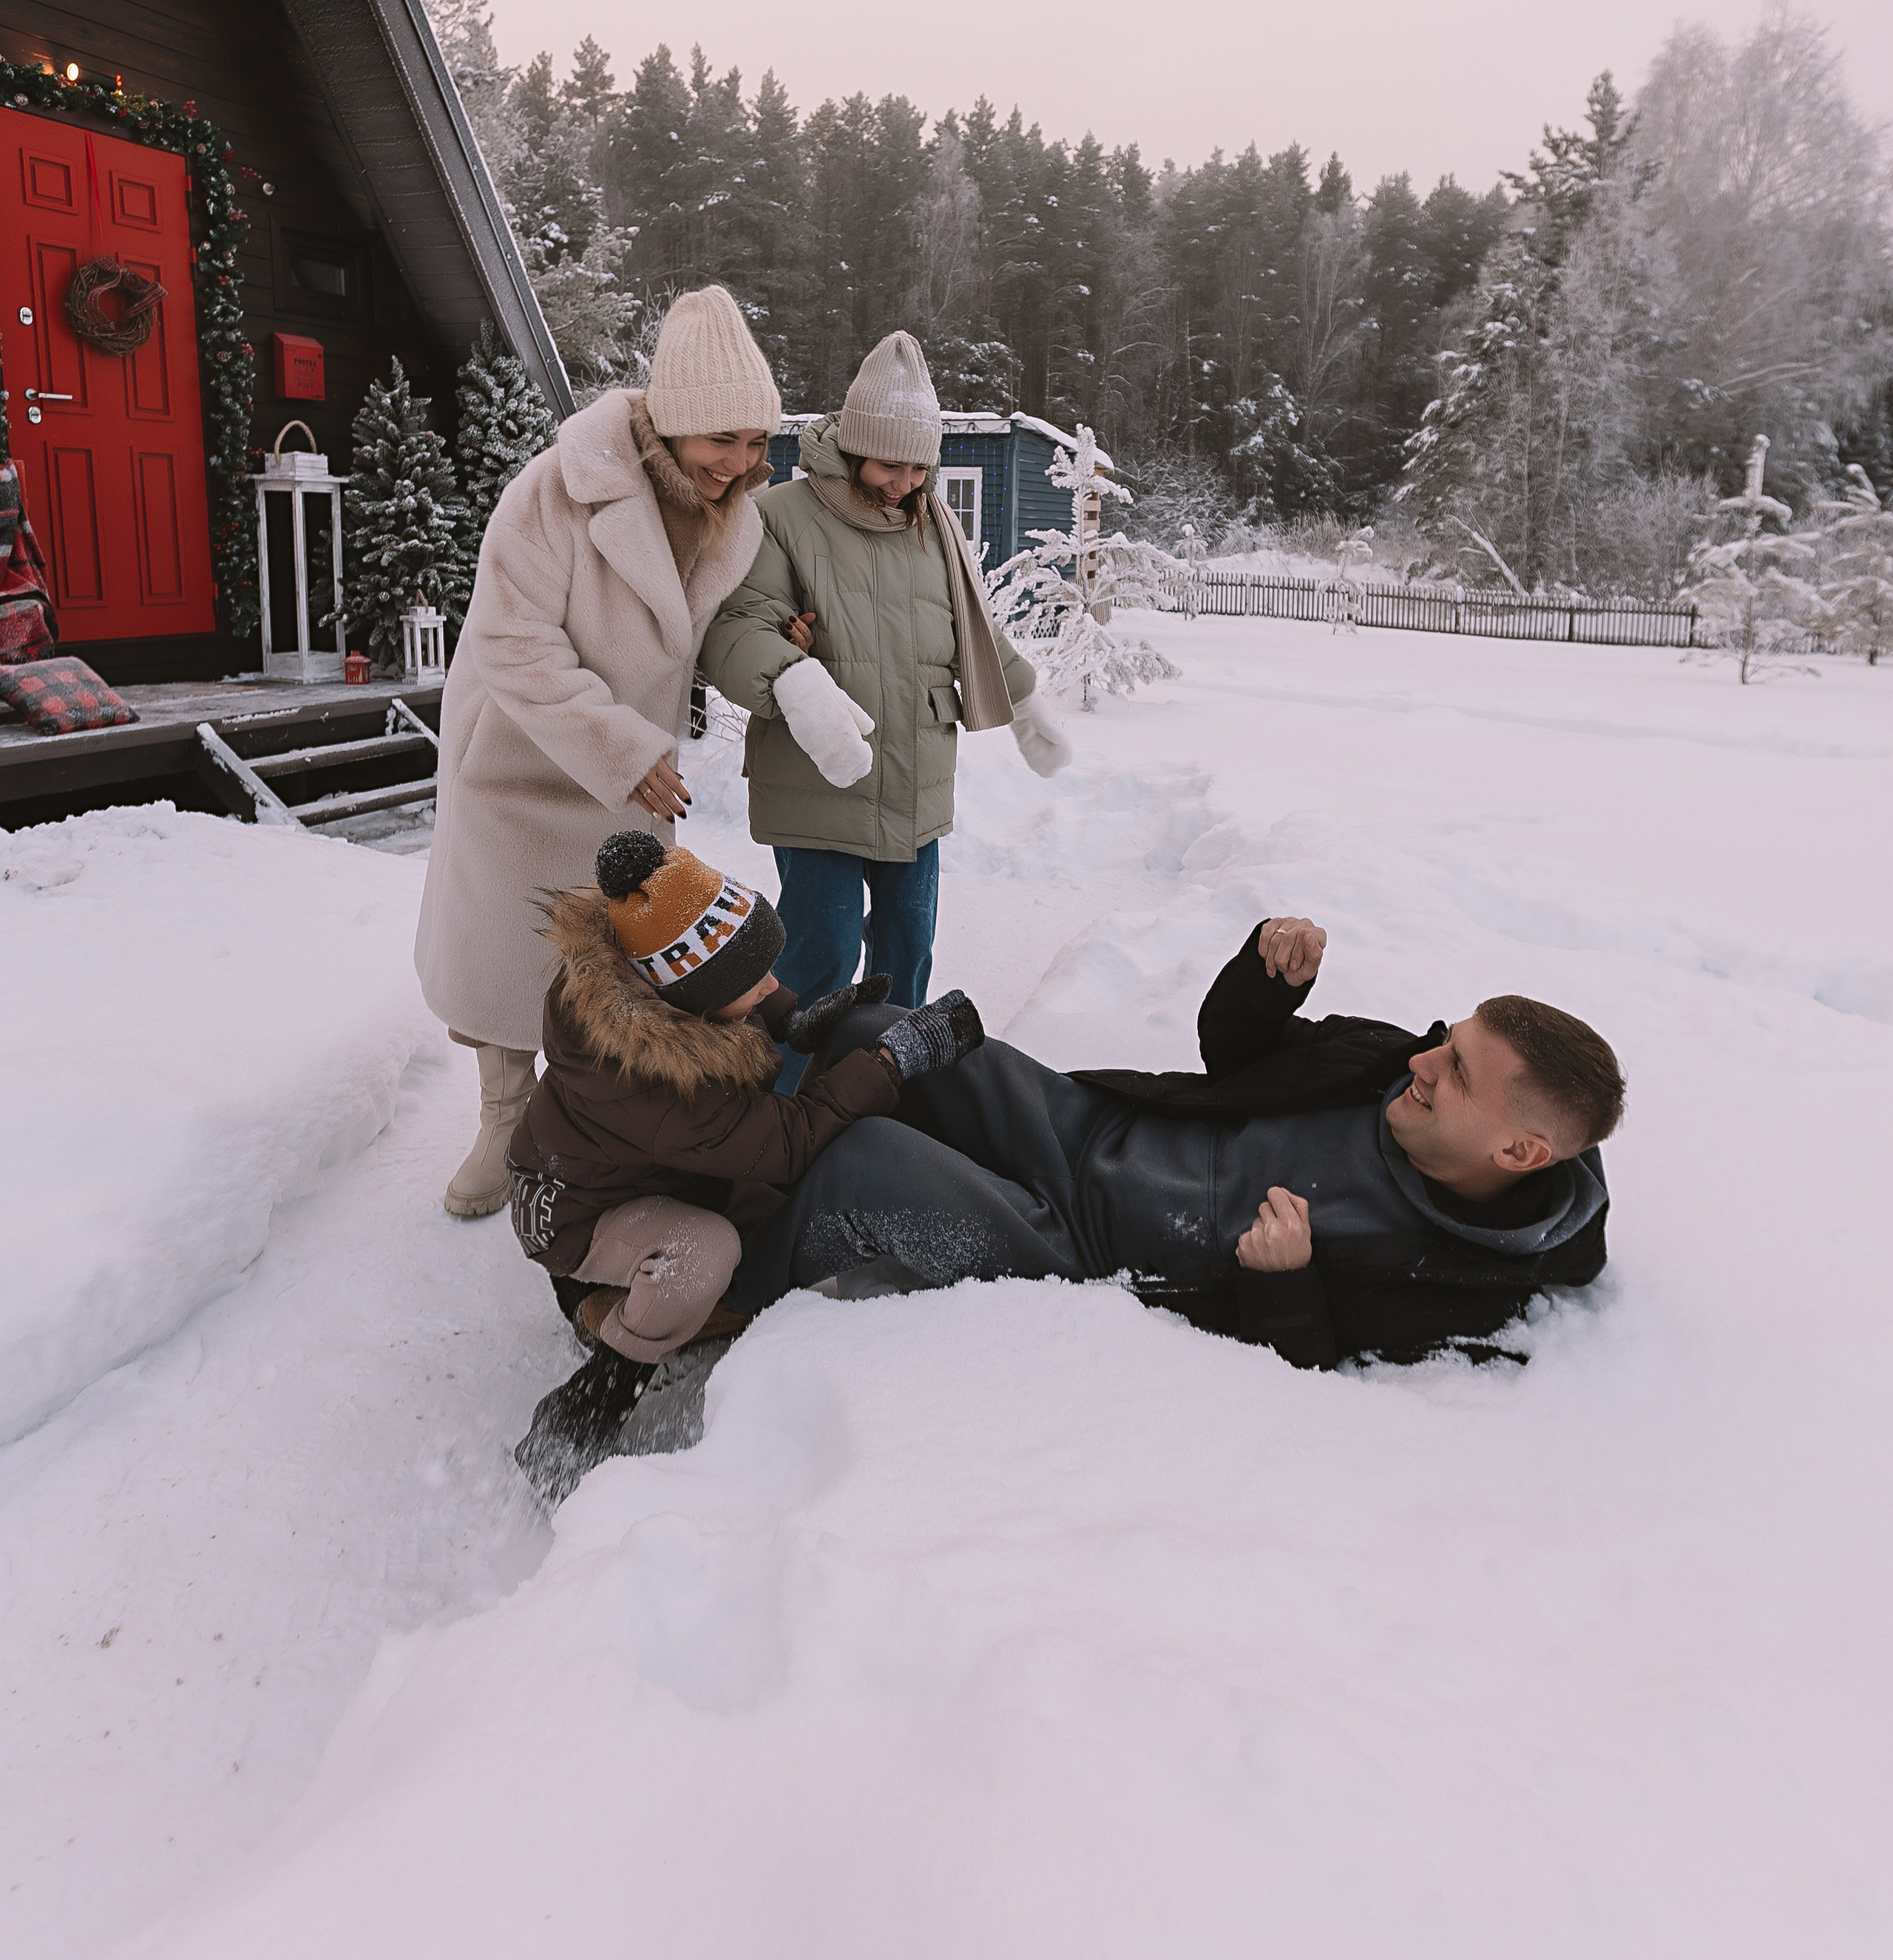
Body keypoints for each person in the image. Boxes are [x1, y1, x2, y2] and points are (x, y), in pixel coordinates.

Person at [723, 914, 1625, 1369]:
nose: (1425, 1061)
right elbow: (1238, 1054)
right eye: (1449, 1041)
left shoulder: (1465, 1279)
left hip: (1082, 1251)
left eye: (1459, 1072)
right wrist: (1267, 982)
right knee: (883, 1033)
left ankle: (708, 1308)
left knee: (865, 1165)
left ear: (1518, 1155)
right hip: (1093, 1127)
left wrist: (1285, 1286)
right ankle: (721, 1153)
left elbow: (1323, 1361)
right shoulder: (1387, 1065)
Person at [414, 284, 782, 1218]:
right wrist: (620, 747)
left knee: (614, 965)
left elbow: (717, 621)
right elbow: (510, 642)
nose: (738, 466)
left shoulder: (731, 507)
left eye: (755, 444)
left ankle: (587, 1125)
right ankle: (503, 1119)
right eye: (721, 443)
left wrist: (787, 643)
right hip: (524, 760)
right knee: (510, 953)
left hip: (626, 778)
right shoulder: (554, 491)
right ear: (671, 424)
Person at [507, 829, 985, 1502]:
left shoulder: (654, 982)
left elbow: (729, 987)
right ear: (694, 1002)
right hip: (576, 1217)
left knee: (767, 1222)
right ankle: (597, 1388)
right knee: (709, 1252)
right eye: (756, 982)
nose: (770, 985)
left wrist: (796, 1019)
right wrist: (889, 1063)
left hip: (637, 1175)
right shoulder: (659, 1087)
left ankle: (649, 1296)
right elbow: (787, 1143)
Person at [697, 330, 1071, 1088]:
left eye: (919, 464)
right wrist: (794, 678)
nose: (906, 480)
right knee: (821, 956)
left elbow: (971, 628)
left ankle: (889, 1097)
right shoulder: (780, 517)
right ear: (853, 447)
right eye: (891, 463)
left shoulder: (936, 524)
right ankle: (783, 1108)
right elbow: (732, 632)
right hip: (820, 781)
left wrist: (1025, 693)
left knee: (906, 953)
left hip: (916, 780)